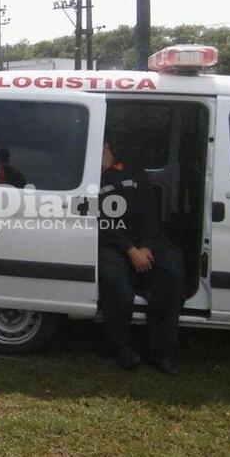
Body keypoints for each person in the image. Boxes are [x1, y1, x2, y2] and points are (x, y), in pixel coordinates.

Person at [98, 139, 185, 375]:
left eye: (103, 148)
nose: (100, 154)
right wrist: (130, 250)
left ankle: (160, 353)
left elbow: (149, 209)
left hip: (146, 240)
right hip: (114, 243)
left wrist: (145, 246)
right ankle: (120, 348)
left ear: (109, 146)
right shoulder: (92, 178)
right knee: (115, 284)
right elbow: (103, 224)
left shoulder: (132, 168)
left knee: (171, 272)